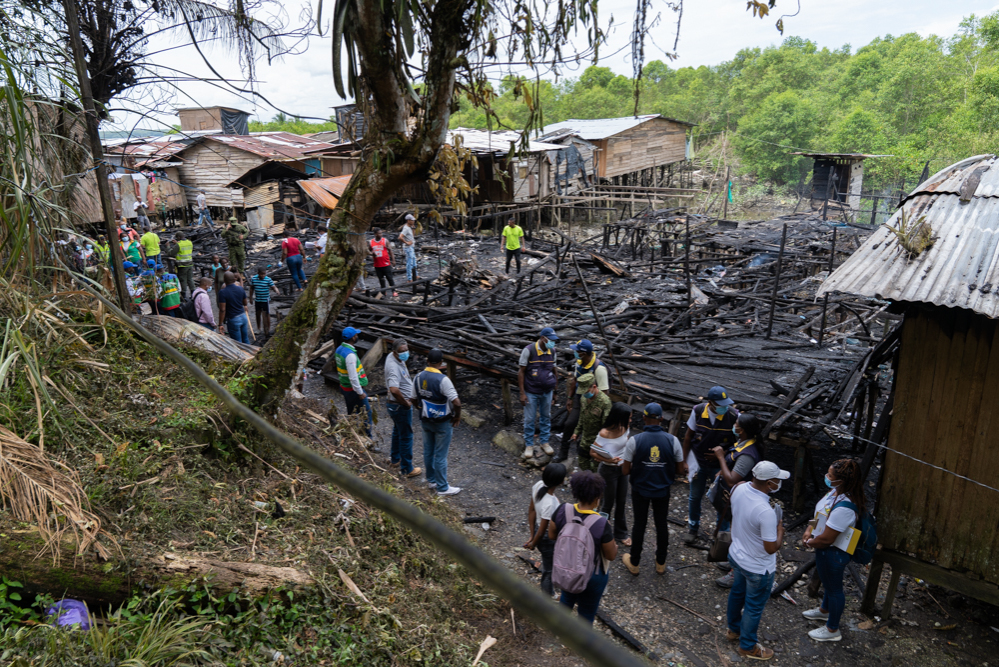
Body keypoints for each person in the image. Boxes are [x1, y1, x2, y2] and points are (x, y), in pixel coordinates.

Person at [726, 461, 788, 661]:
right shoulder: (765, 512)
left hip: (737, 555)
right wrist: (780, 532)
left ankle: (733, 630)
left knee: (737, 592)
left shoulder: (739, 488)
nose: (779, 483)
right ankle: (747, 646)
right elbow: (771, 548)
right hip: (758, 568)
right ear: (769, 483)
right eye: (777, 480)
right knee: (753, 606)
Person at [801, 458, 866, 643]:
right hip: (825, 547)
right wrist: (809, 529)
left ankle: (832, 629)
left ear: (842, 481)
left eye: (830, 475)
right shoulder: (835, 492)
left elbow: (828, 538)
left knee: (834, 589)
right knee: (829, 584)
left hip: (833, 552)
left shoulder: (845, 508)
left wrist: (810, 542)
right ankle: (824, 610)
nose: (827, 477)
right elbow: (820, 512)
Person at [620, 403, 686, 575]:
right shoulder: (673, 440)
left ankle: (634, 563)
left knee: (639, 525)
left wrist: (641, 466)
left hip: (640, 490)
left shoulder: (635, 440)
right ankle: (660, 563)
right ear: (661, 419)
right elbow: (680, 470)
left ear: (644, 418)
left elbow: (625, 470)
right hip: (662, 490)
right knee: (661, 524)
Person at [548, 471, 618, 624]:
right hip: (592, 575)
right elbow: (611, 555)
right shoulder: (601, 523)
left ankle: (561, 631)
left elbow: (552, 535)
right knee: (586, 613)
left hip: (565, 567)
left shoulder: (562, 510)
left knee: (566, 600)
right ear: (597, 498)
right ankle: (581, 644)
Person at [711, 413, 765, 588]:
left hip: (743, 501)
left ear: (741, 430)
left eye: (736, 423)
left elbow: (732, 479)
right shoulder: (742, 444)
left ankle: (735, 573)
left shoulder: (748, 454)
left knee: (740, 537)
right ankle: (732, 562)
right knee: (734, 533)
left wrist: (720, 458)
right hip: (734, 499)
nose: (734, 425)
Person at [682, 385, 740, 545]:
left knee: (723, 499)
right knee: (695, 496)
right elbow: (688, 437)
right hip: (698, 462)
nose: (724, 407)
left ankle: (721, 533)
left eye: (725, 404)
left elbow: (739, 444)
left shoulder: (734, 416)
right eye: (720, 404)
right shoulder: (699, 411)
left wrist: (722, 459)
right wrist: (684, 461)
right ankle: (693, 527)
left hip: (720, 465)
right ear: (710, 403)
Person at [412, 348, 462, 496]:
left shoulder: (418, 377)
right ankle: (442, 487)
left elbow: (413, 398)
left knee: (428, 451)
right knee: (440, 455)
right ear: (441, 363)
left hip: (426, 419)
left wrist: (420, 408)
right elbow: (457, 402)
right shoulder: (443, 380)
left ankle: (431, 480)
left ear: (427, 361)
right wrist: (457, 416)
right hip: (442, 421)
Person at [556, 339, 610, 463]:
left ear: (583, 353)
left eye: (577, 351)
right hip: (579, 400)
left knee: (588, 432)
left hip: (593, 404)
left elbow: (605, 392)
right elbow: (575, 380)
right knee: (569, 424)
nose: (575, 352)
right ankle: (563, 453)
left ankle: (587, 458)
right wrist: (570, 398)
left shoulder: (599, 368)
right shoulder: (579, 363)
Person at [590, 402, 633, 546]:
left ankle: (621, 533)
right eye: (629, 418)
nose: (631, 421)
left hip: (623, 469)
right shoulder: (604, 433)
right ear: (619, 418)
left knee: (621, 501)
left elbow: (626, 445)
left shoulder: (625, 427)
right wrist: (610, 459)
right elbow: (593, 453)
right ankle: (602, 534)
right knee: (607, 503)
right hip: (608, 470)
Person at [524, 462, 567, 597]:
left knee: (550, 564)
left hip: (539, 534)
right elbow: (543, 531)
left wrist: (532, 536)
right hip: (547, 538)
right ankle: (548, 596)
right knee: (548, 570)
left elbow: (531, 510)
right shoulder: (550, 503)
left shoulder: (538, 485)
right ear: (560, 482)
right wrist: (533, 543)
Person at [518, 327, 559, 460]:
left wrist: (555, 390)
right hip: (531, 391)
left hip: (547, 391)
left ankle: (544, 442)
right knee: (529, 419)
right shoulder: (529, 350)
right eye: (550, 340)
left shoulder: (552, 351)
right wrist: (522, 393)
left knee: (546, 416)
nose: (552, 343)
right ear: (543, 338)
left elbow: (554, 370)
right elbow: (521, 372)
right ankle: (529, 444)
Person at [384, 339, 421, 479]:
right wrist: (405, 402)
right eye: (402, 351)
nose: (405, 353)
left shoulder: (394, 358)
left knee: (397, 431)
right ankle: (407, 468)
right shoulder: (393, 366)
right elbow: (394, 389)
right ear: (394, 352)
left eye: (406, 350)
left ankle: (395, 459)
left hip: (395, 405)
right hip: (399, 405)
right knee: (406, 436)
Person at [335, 327, 374, 438]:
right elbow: (353, 377)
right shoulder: (350, 355)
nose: (357, 336)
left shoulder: (339, 349)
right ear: (353, 337)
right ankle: (367, 438)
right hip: (353, 390)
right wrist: (360, 392)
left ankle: (351, 434)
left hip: (344, 387)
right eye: (356, 335)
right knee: (366, 414)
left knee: (352, 413)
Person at [570, 373, 612, 472]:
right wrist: (576, 432)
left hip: (597, 442)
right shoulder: (584, 398)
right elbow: (582, 416)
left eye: (586, 391)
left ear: (594, 387)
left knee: (596, 468)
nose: (585, 394)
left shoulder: (605, 402)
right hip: (585, 439)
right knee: (582, 464)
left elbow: (606, 427)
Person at [218, 271, 250, 344]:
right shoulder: (241, 289)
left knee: (237, 343)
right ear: (234, 279)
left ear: (224, 280)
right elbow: (245, 303)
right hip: (243, 316)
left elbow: (222, 310)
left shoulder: (222, 292)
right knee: (246, 339)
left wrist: (220, 324)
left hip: (233, 319)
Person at [249, 267, 278, 335]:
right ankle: (258, 328)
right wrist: (250, 298)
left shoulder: (268, 279)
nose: (263, 275)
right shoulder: (254, 279)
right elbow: (251, 289)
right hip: (258, 300)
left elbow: (273, 286)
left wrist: (276, 290)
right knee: (258, 314)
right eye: (261, 274)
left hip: (265, 300)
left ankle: (268, 328)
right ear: (258, 273)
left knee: (267, 314)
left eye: (264, 274)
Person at [369, 228, 396, 293]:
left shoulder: (385, 241)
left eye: (381, 233)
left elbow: (390, 251)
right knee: (381, 279)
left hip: (386, 263)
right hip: (377, 264)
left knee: (389, 278)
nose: (381, 234)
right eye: (379, 233)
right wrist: (372, 253)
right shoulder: (371, 242)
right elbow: (369, 250)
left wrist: (393, 260)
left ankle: (394, 291)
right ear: (375, 234)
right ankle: (384, 291)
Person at [172, 231, 195, 298]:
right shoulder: (189, 242)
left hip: (182, 265)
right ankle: (193, 292)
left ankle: (183, 294)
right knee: (190, 279)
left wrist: (167, 247)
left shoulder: (178, 244)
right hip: (190, 263)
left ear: (179, 237)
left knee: (183, 279)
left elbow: (171, 253)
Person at [399, 213, 418, 281]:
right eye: (412, 220)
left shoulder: (409, 227)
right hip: (408, 248)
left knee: (414, 261)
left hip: (411, 247)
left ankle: (415, 275)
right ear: (408, 220)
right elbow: (400, 237)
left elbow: (412, 236)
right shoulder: (406, 228)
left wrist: (413, 229)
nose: (413, 221)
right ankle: (409, 278)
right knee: (409, 263)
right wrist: (407, 242)